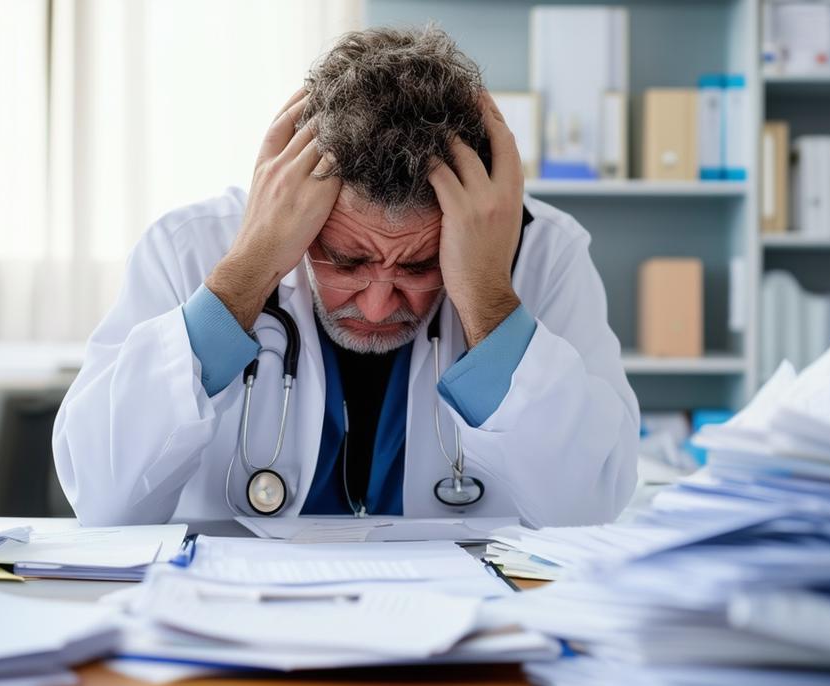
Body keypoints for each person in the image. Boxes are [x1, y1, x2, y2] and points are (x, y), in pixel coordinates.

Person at [53, 26, 639, 527]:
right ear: (297, 207)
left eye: (418, 264)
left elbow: (591, 511)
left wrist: (487, 296)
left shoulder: (542, 253)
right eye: (347, 260)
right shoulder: (188, 248)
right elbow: (103, 502)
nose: (380, 306)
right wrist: (245, 275)